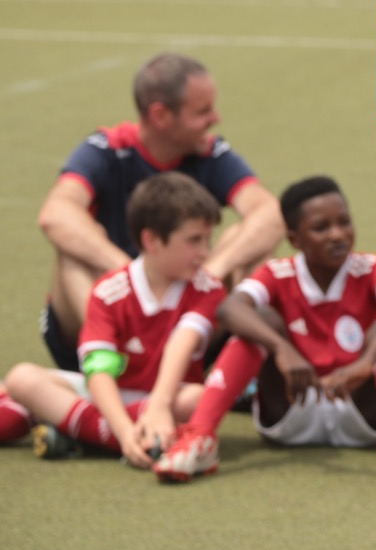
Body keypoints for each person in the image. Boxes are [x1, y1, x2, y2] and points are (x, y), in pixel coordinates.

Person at [36, 52, 285, 372]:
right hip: (112, 317)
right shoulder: (107, 149)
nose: (215, 119)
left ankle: (240, 370)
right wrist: (133, 278)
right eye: (203, 111)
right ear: (161, 115)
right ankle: (103, 362)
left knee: (244, 238)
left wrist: (209, 273)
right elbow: (55, 213)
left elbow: (271, 214)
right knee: (71, 249)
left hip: (189, 320)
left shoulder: (210, 153)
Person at [153, 174, 376, 482]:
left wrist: (366, 363)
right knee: (258, 322)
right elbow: (229, 308)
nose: (338, 234)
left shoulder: (370, 267)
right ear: (295, 239)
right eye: (321, 227)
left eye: (344, 222)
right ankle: (200, 438)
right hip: (292, 406)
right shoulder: (278, 273)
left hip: (363, 409)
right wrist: (282, 348)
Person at [0, 173, 226, 466]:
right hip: (110, 397)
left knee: (197, 398)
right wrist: (121, 429)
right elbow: (99, 368)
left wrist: (160, 403)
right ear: (152, 240)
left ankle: (73, 428)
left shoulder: (208, 288)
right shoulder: (110, 291)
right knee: (22, 377)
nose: (204, 252)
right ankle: (128, 439)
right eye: (194, 240)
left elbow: (182, 343)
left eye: (208, 239)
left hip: (169, 397)